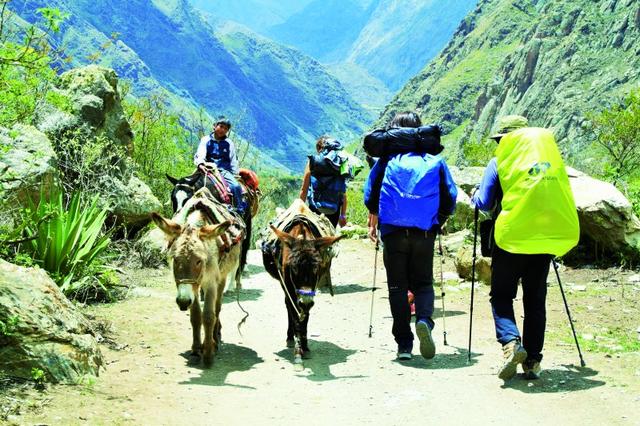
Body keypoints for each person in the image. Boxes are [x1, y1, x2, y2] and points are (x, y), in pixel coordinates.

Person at [472, 115, 579, 381]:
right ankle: (532, 361)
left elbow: (484, 203)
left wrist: (474, 194)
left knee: (501, 296)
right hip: (544, 240)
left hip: (510, 240)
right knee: (535, 301)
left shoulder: (499, 162)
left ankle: (510, 343)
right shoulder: (549, 164)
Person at [364, 111, 458, 361]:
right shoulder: (432, 160)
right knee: (424, 283)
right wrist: (438, 219)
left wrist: (376, 214)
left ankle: (404, 344)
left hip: (393, 233)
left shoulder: (386, 160)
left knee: (397, 288)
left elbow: (370, 195)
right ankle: (425, 320)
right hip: (424, 232)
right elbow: (450, 196)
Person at [194, 117, 246, 214]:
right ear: (214, 126)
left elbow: (233, 160)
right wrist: (200, 164)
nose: (223, 130)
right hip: (207, 169)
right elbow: (200, 154)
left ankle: (239, 208)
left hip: (223, 171)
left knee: (236, 186)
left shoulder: (229, 143)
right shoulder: (205, 140)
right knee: (188, 184)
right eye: (221, 126)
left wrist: (235, 174)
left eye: (226, 129)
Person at [299, 136, 348, 228]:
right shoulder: (340, 164)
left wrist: (298, 209)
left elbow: (304, 190)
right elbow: (343, 193)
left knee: (314, 238)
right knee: (329, 239)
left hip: (315, 208)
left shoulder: (313, 162)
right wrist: (343, 215)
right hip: (334, 210)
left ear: (319, 148)